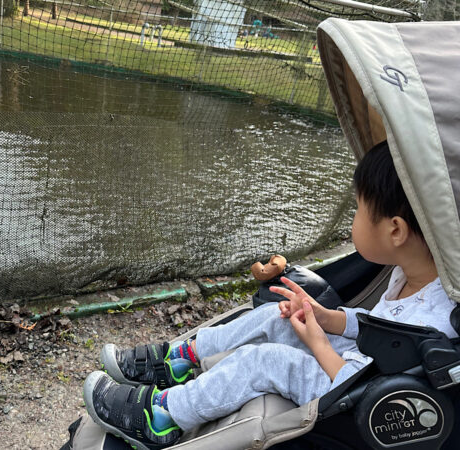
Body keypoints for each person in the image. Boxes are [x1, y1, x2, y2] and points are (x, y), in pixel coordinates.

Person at [83, 141, 459, 449]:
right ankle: (181, 360)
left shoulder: (434, 321)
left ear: (396, 231)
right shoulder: (410, 274)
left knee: (264, 360)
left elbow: (363, 377)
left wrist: (319, 342)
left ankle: (164, 418)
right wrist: (326, 318)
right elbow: (378, 325)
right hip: (357, 362)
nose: (352, 221)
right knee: (275, 317)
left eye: (359, 209)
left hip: (354, 389)